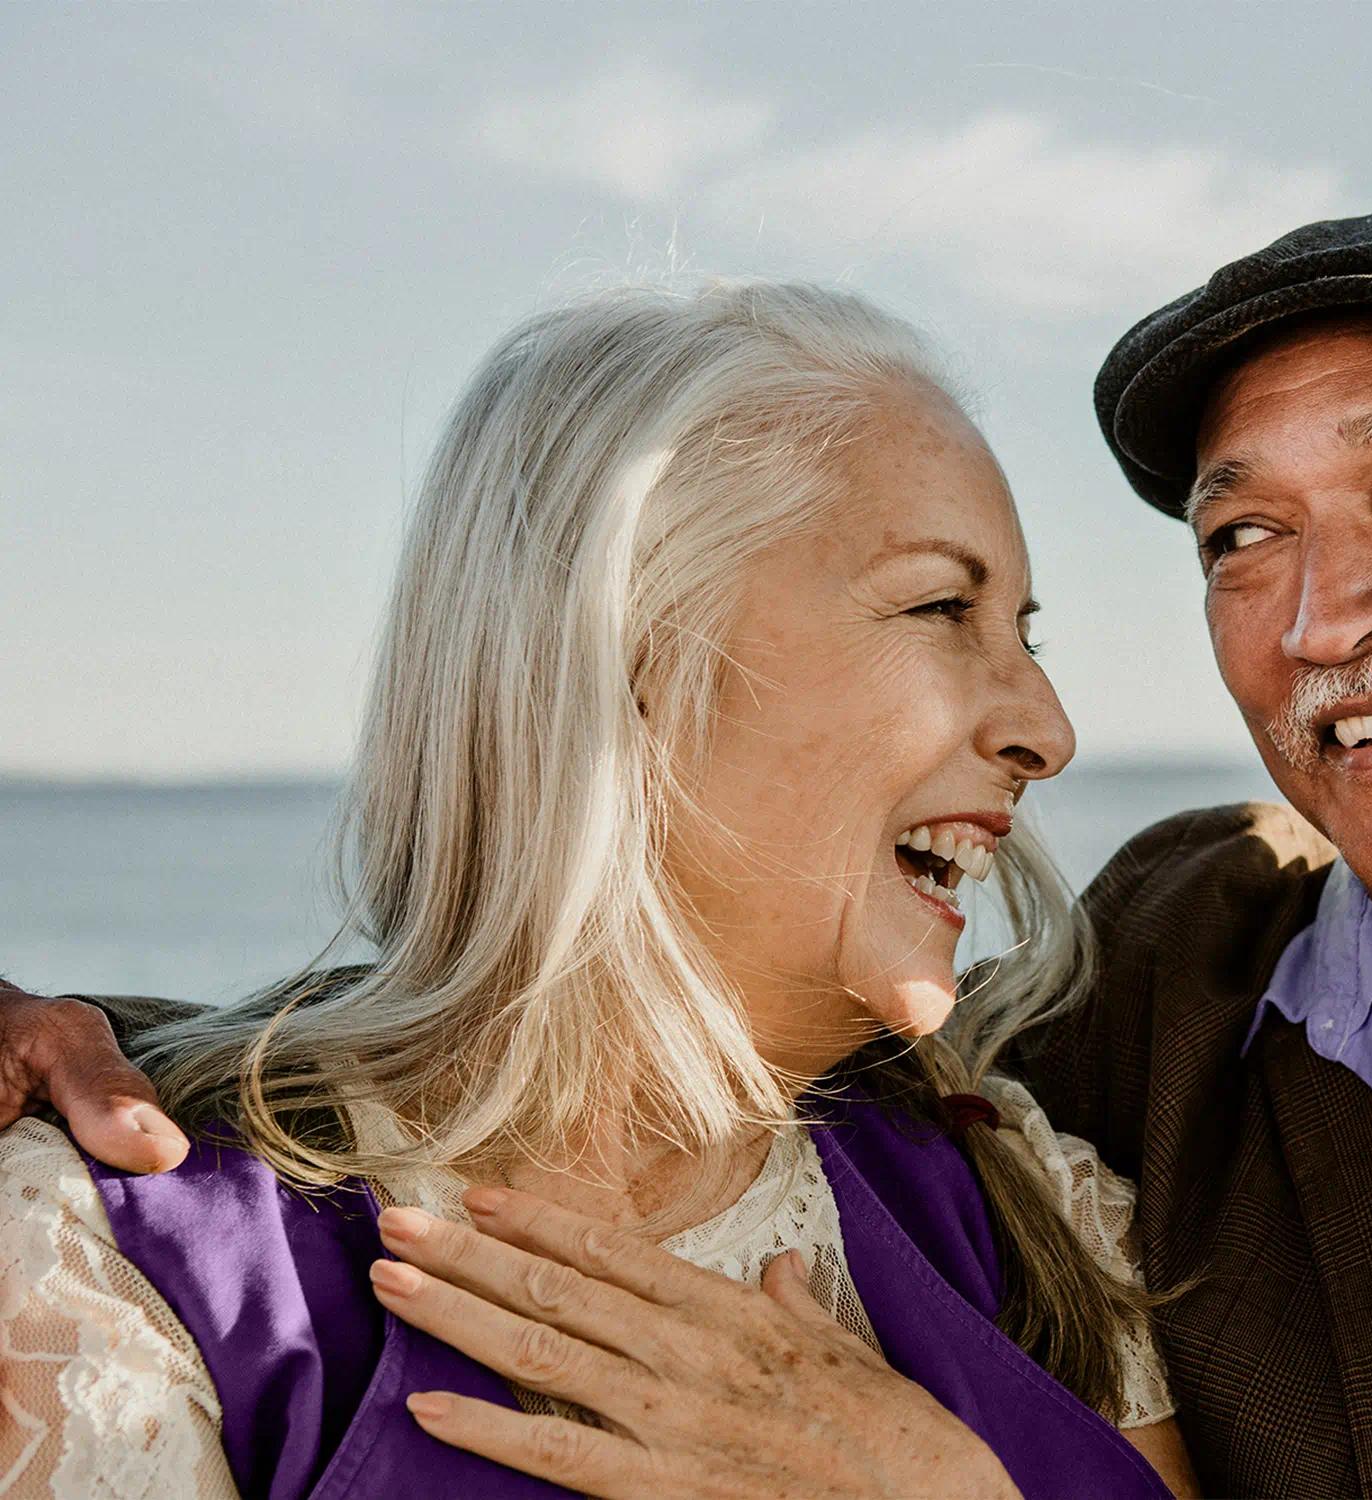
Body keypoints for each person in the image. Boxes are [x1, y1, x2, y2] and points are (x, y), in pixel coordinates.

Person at [2, 203, 1372, 1499]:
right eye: (1240, 535)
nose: (1328, 608)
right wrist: (90, 1061)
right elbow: (494, 1055)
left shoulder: (1042, 1196)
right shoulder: (1133, 1060)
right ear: (633, 671)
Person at [0, 282, 1196, 1500]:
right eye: (942, 606)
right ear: (632, 655)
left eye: (1024, 633)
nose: (1046, 729)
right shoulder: (110, 1263)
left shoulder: (1031, 1207)